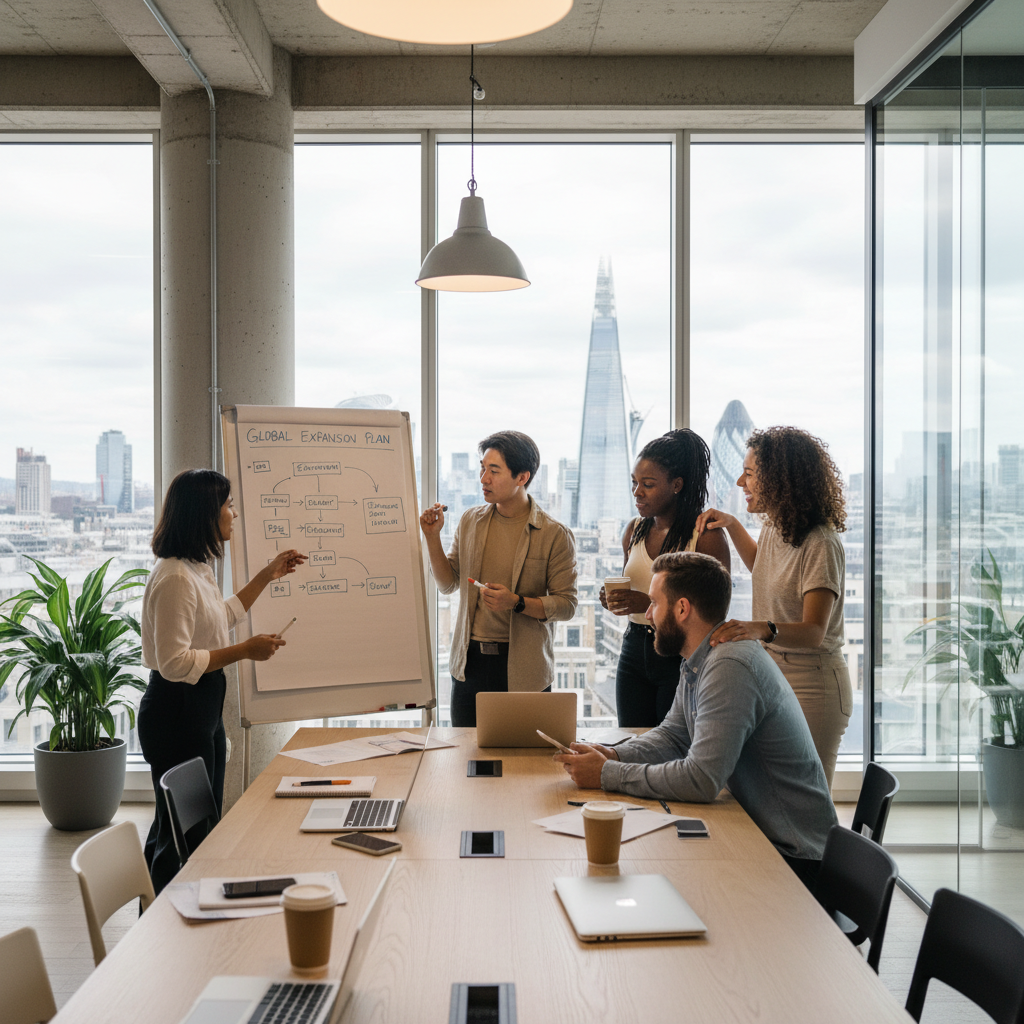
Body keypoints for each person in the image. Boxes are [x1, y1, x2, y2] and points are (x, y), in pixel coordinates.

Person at [556, 551, 837, 889]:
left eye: (654, 604)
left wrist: (606, 774)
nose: (647, 614)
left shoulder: (729, 665)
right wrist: (612, 754)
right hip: (758, 835)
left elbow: (702, 780)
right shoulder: (701, 657)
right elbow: (675, 736)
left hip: (793, 857)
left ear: (683, 609)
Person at [138, 469, 305, 894]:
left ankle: (170, 910)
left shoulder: (196, 566)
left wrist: (268, 575)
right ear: (204, 514)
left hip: (201, 707)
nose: (234, 513)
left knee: (193, 823)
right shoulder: (175, 577)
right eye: (228, 505)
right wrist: (245, 651)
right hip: (178, 710)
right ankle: (163, 916)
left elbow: (222, 618)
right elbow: (175, 663)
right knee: (182, 832)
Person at [695, 426, 851, 790]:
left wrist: (759, 628)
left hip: (813, 683)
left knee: (807, 795)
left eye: (749, 474)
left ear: (782, 480)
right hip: (774, 672)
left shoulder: (821, 544)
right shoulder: (776, 528)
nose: (739, 482)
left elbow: (814, 631)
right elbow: (763, 567)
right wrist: (733, 526)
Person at [419, 431, 578, 727]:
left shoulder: (554, 534)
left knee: (526, 762)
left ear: (522, 477)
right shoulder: (470, 521)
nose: (483, 479)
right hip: (470, 664)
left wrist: (515, 602)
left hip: (525, 668)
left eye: (494, 471)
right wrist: (431, 538)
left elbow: (566, 605)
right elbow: (448, 583)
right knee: (466, 758)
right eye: (482, 468)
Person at [600, 429, 730, 726]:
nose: (637, 492)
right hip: (634, 649)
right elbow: (631, 590)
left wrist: (647, 602)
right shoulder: (634, 530)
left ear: (676, 485)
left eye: (648, 484)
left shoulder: (705, 537)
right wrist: (614, 601)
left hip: (681, 653)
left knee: (676, 748)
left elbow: (715, 613)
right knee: (632, 741)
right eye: (634, 483)